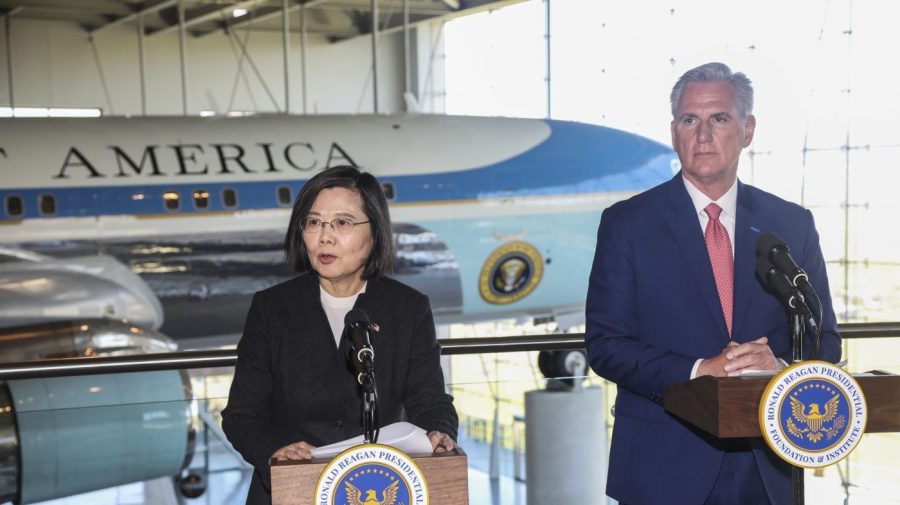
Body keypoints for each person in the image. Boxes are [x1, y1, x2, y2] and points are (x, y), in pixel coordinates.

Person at [585, 62, 841, 504]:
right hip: (662, 468)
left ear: (748, 130)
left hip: (767, 467)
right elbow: (606, 345)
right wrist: (700, 371)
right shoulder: (627, 224)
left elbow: (826, 340)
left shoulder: (792, 225)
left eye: (719, 118)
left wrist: (778, 364)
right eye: (690, 120)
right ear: (673, 131)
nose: (703, 134)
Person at [222, 165, 458, 505]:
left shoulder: (407, 308)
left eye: (343, 223)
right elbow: (242, 415)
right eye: (314, 222)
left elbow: (430, 400)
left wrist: (440, 432)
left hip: (376, 487)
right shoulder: (272, 308)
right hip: (291, 489)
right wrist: (276, 450)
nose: (324, 237)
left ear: (375, 232)